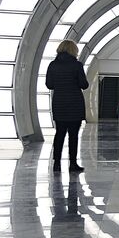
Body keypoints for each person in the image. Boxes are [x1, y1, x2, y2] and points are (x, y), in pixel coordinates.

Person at [44, 39, 89, 172]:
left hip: (59, 104)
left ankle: (56, 164)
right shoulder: (77, 65)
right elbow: (84, 84)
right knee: (73, 136)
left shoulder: (52, 65)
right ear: (73, 50)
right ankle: (72, 164)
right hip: (75, 104)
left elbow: (49, 84)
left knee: (59, 134)